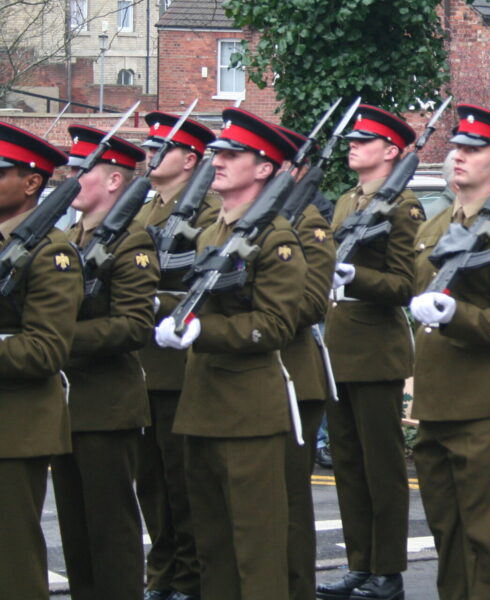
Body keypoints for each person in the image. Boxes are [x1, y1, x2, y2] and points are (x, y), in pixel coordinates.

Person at [154, 108, 307, 600]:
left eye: (231, 155)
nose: (217, 162)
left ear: (264, 168)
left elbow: (275, 326)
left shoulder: (276, 237)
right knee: (213, 550)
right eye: (217, 153)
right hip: (201, 406)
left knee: (255, 551)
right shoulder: (213, 232)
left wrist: (202, 330)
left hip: (248, 412)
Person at [407, 104, 490, 600]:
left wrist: (455, 316)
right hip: (437, 402)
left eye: (473, 149)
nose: (458, 155)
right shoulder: (434, 228)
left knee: (489, 537)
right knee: (449, 534)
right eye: (457, 146)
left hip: (489, 405)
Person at [317, 105, 422, 600]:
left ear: (391, 152)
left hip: (377, 348)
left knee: (382, 469)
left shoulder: (403, 207)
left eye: (365, 140)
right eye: (352, 139)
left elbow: (406, 284)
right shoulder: (345, 202)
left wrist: (357, 277)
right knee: (348, 465)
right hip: (339, 347)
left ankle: (388, 570)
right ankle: (359, 562)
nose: (353, 146)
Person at [52, 126, 159, 600]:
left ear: (114, 181)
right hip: (66, 403)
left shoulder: (130, 242)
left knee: (110, 529)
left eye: (82, 170)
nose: (70, 177)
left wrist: (57, 339)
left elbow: (134, 326)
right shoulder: (69, 237)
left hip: (106, 404)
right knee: (75, 531)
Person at [135, 110, 218, 600]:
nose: (150, 155)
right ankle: (162, 572)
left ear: (189, 159)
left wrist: (157, 303)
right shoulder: (143, 211)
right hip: (143, 366)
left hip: (177, 366)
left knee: (182, 482)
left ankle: (191, 576)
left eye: (159, 149)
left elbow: (199, 287)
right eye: (148, 148)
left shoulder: (204, 214)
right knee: (151, 483)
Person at [0, 122, 83, 600]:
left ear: (32, 182)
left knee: (11, 560)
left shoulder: (51, 253)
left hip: (15, 427)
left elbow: (47, 348)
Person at [273, 123, 336, 600]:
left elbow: (311, 304)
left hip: (294, 376)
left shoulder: (308, 223)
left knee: (288, 504)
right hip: (237, 382)